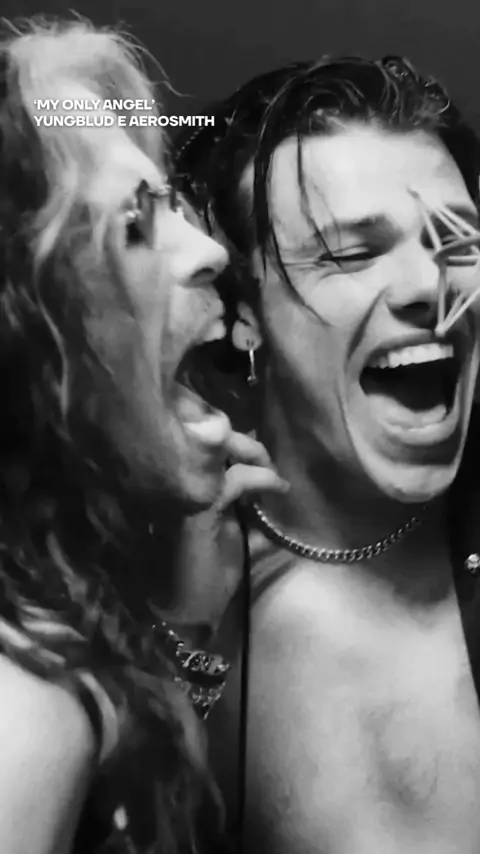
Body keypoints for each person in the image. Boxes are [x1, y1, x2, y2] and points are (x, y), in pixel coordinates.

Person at [177, 56, 480, 853]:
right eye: (350, 254)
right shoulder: (163, 597)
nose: (430, 286)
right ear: (241, 313)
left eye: (457, 240)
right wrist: (185, 636)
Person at [0, 16, 287, 854]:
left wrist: (186, 628)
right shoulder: (27, 718)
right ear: (25, 325)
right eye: (134, 224)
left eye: (171, 206)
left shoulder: (49, 628)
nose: (208, 251)